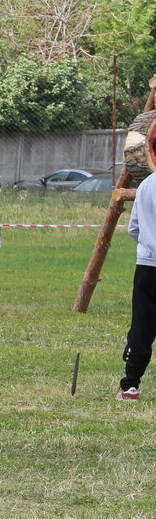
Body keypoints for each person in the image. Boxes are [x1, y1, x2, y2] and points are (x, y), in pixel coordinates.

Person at [117, 161, 156, 401]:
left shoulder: (145, 185)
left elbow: (134, 228)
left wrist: (147, 247)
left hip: (147, 265)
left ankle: (131, 385)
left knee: (142, 323)